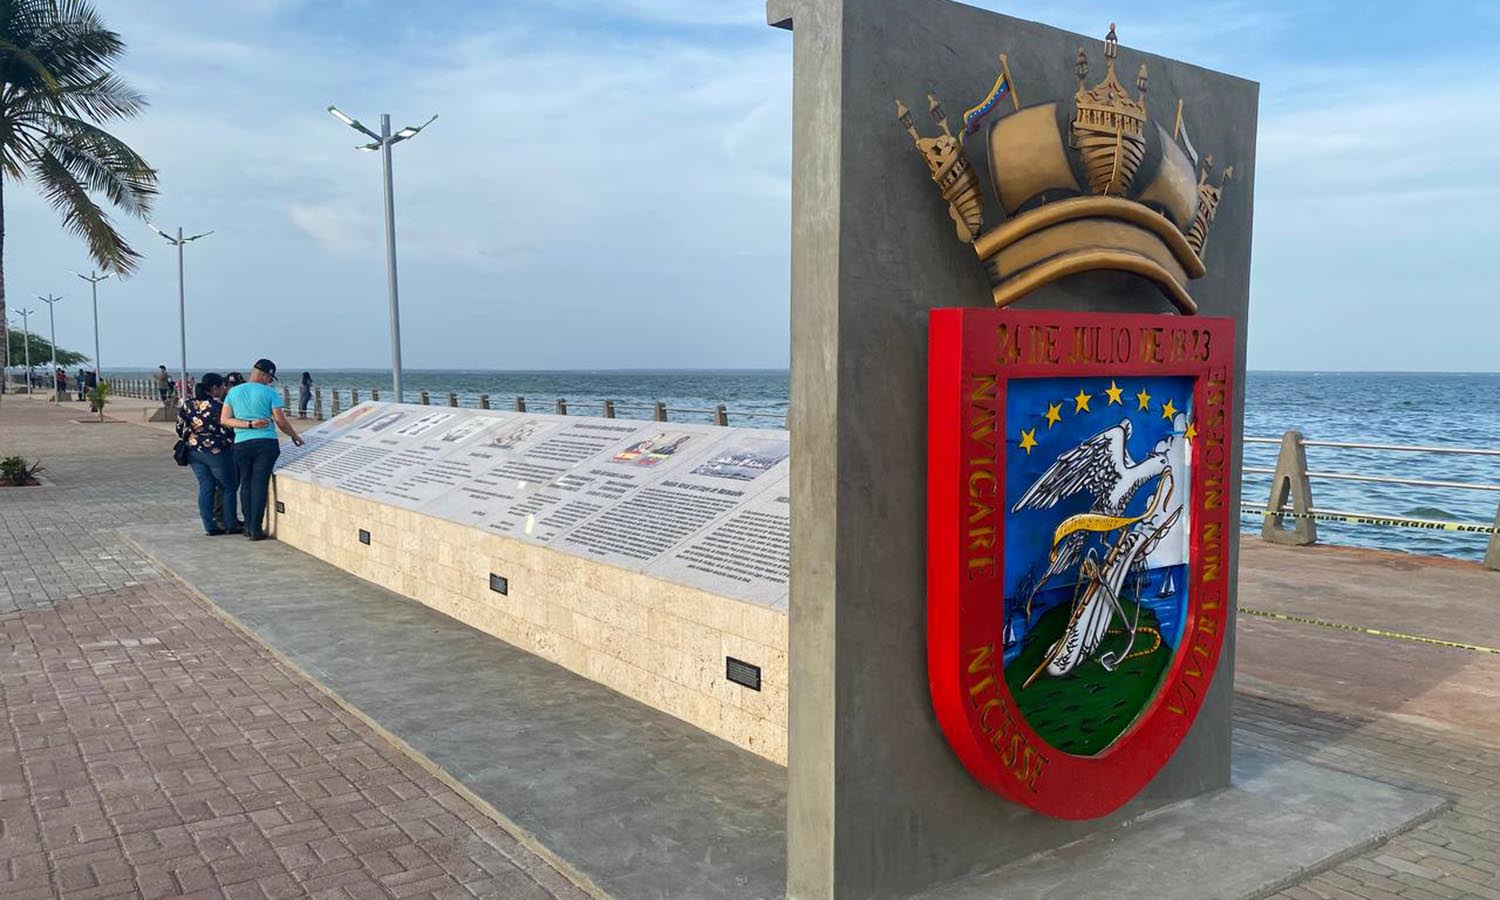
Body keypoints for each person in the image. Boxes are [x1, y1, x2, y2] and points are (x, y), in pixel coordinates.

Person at [222, 358, 303, 541]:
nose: (270, 381)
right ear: (264, 375)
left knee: (246, 482)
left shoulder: (233, 392)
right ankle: (256, 528)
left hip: (241, 442)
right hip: (266, 442)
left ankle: (248, 526)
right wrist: (294, 435)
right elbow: (280, 421)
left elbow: (225, 420)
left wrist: (248, 425)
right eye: (270, 377)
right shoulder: (270, 393)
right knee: (259, 483)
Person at [176, 373, 241, 536]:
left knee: (206, 486)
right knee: (228, 486)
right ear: (214, 388)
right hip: (216, 451)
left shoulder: (187, 405)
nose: (222, 389)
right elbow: (228, 428)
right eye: (221, 386)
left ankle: (210, 525)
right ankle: (230, 523)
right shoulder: (218, 406)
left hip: (193, 450)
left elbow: (179, 427)